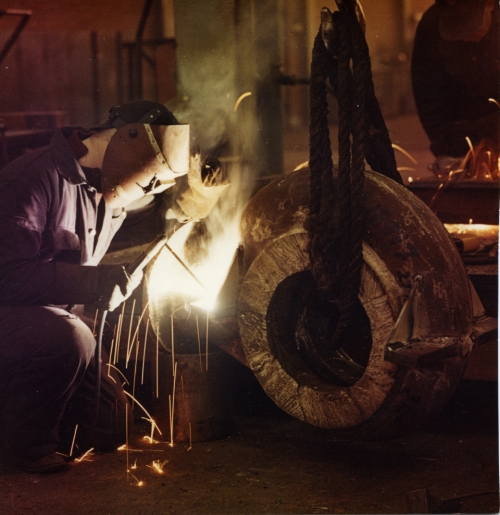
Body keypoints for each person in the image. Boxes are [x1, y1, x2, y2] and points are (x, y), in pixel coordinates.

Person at [0, 100, 228, 473]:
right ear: (128, 140)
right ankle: (25, 448)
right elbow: (6, 276)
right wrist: (93, 283)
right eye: (152, 179)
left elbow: (140, 228)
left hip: (49, 330)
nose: (151, 188)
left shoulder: (104, 189)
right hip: (15, 321)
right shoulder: (31, 179)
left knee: (110, 424)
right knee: (71, 338)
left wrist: (188, 207)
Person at [411, 0, 499, 175]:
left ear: (489, 5)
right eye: (457, 31)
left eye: (474, 28)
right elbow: (429, 101)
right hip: (462, 131)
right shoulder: (432, 26)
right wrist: (448, 150)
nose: (466, 37)